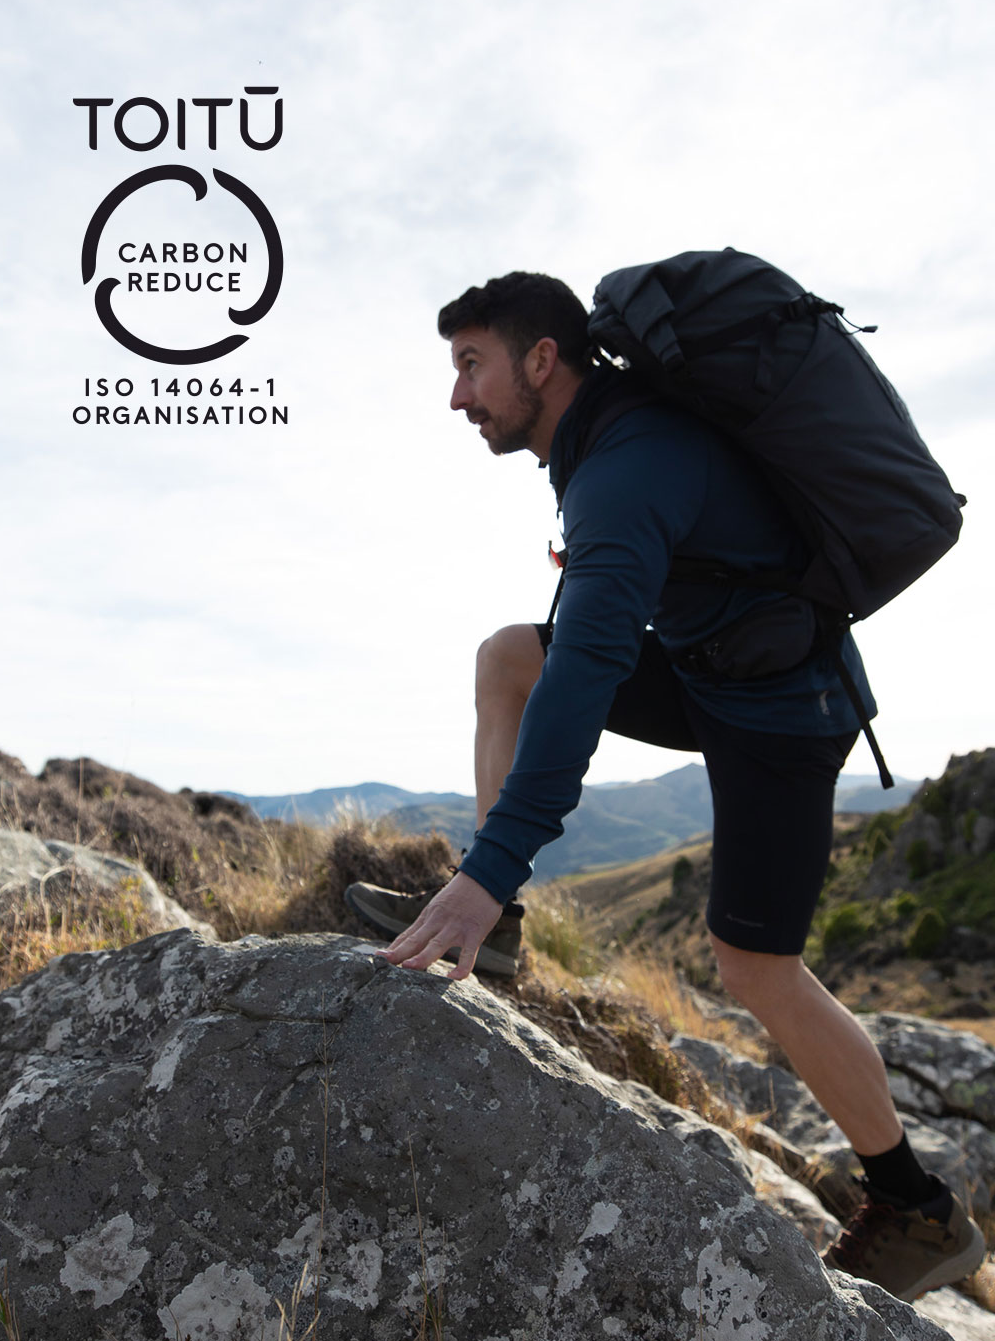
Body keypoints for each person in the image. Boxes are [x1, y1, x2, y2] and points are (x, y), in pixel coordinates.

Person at [343, 271, 986, 1301]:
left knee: (753, 965)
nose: (456, 396)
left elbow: (589, 669)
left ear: (541, 360)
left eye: (471, 365)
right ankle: (500, 922)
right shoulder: (609, 438)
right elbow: (589, 635)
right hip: (708, 672)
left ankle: (918, 1207)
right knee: (511, 655)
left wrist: (487, 859)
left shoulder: (624, 464)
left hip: (785, 712)